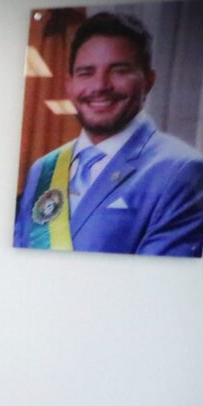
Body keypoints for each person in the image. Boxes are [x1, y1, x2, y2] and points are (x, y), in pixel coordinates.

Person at [14, 12, 203, 256]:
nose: (100, 86)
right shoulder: (43, 168)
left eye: (119, 70)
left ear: (148, 81)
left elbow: (156, 286)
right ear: (69, 85)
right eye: (86, 72)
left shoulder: (182, 172)